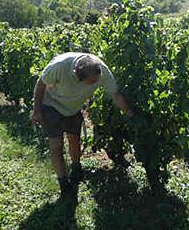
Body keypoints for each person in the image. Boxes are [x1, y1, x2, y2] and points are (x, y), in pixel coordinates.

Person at [30, 52, 134, 196]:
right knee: (56, 145)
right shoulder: (60, 66)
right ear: (76, 76)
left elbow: (115, 95)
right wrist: (36, 110)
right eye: (91, 82)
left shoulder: (101, 70)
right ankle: (63, 183)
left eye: (95, 81)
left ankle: (76, 169)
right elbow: (41, 83)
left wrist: (130, 114)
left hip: (73, 108)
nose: (94, 84)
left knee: (74, 139)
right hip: (51, 106)